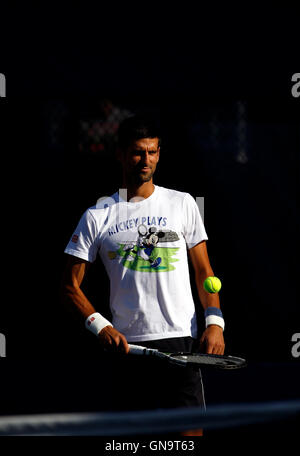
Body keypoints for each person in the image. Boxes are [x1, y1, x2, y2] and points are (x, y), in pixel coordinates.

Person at [61, 114, 225, 436]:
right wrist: (101, 327)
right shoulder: (97, 215)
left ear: (159, 153)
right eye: (137, 152)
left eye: (152, 152)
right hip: (129, 349)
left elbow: (204, 272)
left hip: (181, 343)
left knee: (189, 439)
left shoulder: (183, 203)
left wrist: (215, 322)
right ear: (120, 154)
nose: (145, 160)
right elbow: (68, 285)